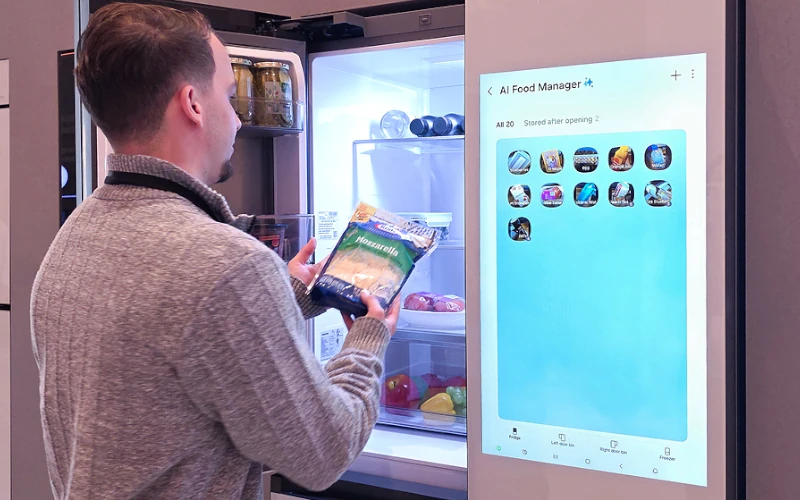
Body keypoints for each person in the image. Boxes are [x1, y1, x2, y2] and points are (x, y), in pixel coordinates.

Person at [30, 3, 400, 499]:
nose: (239, 120)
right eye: (228, 95)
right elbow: (324, 452)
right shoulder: (225, 266)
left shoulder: (76, 237)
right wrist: (369, 340)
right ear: (193, 103)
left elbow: (167, 351)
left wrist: (280, 297)